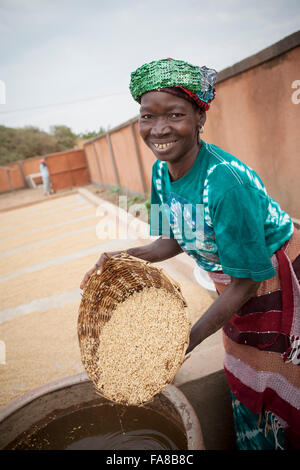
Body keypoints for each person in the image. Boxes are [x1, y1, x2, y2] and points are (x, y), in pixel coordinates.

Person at [80, 58, 300, 450]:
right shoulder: (162, 172)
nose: (159, 129)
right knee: (243, 368)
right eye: (148, 116)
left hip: (271, 280)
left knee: (277, 379)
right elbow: (170, 240)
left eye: (176, 114)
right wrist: (124, 257)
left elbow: (248, 280)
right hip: (234, 282)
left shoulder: (226, 185)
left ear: (200, 117)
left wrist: (183, 341)